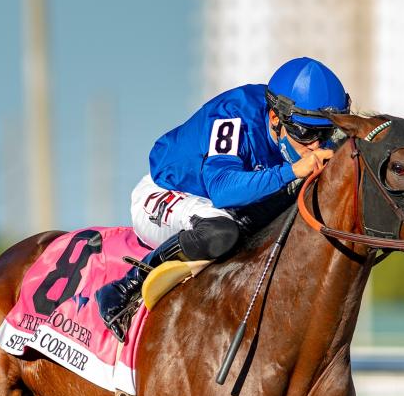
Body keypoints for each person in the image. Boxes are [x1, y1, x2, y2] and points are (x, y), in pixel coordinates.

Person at [95, 56, 350, 341]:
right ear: (276, 117)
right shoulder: (233, 115)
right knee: (219, 230)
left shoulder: (307, 131)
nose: (317, 145)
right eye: (306, 133)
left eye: (325, 133)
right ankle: (123, 288)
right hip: (167, 193)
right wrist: (292, 171)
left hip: (221, 206)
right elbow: (222, 189)